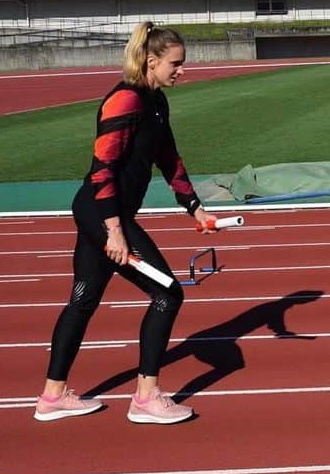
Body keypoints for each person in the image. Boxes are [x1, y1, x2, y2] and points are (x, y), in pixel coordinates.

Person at [34, 22, 216, 424]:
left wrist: (195, 208)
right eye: (176, 63)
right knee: (169, 294)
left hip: (102, 214)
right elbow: (102, 169)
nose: (182, 71)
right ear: (151, 61)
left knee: (82, 300)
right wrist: (114, 229)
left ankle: (52, 397)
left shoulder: (156, 102)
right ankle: (146, 399)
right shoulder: (124, 101)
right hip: (101, 212)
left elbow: (169, 158)